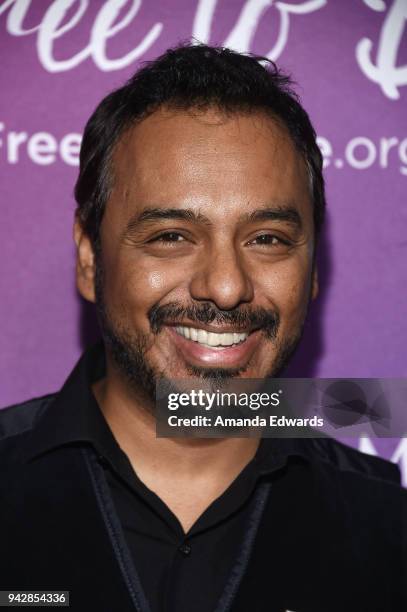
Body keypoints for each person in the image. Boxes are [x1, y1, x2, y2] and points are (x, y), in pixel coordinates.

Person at [0, 44, 405, 612]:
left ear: (313, 270)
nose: (225, 286)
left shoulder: (388, 524)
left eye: (267, 239)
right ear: (91, 258)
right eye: (171, 235)